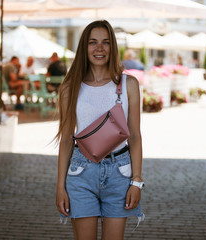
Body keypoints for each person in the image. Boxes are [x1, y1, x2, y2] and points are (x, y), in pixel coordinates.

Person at [55, 20, 144, 240]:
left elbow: (135, 136)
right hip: (81, 172)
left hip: (119, 174)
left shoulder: (128, 84)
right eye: (93, 42)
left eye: (106, 42)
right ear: (84, 47)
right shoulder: (70, 87)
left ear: (113, 47)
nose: (99, 48)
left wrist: (137, 181)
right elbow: (66, 139)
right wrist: (60, 186)